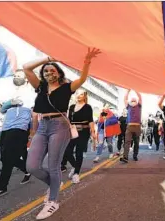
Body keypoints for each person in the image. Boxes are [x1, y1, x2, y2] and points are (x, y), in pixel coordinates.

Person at [24, 48, 100, 219]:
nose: (49, 72)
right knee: (32, 166)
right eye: (46, 70)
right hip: (43, 126)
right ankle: (54, 183)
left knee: (53, 165)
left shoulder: (67, 88)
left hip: (60, 125)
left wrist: (87, 61)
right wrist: (48, 58)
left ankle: (53, 201)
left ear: (58, 73)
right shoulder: (40, 87)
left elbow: (82, 78)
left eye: (52, 69)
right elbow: (26, 68)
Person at [0, 98, 32, 201]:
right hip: (5, 132)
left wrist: (30, 134)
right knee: (5, 158)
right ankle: (27, 170)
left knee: (8, 160)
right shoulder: (8, 110)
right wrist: (12, 101)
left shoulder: (27, 109)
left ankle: (1, 188)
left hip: (18, 131)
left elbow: (32, 120)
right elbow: (3, 108)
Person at [61, 89, 96, 183]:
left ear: (85, 96)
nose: (79, 96)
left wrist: (93, 131)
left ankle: (76, 173)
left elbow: (91, 120)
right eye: (77, 94)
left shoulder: (88, 107)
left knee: (79, 152)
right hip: (72, 131)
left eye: (81, 94)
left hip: (84, 131)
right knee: (67, 151)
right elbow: (68, 120)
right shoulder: (72, 107)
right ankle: (75, 166)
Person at [120, 90, 142, 163]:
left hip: (137, 127)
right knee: (127, 142)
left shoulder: (139, 105)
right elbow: (125, 98)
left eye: (134, 100)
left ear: (136, 101)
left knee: (136, 142)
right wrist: (128, 91)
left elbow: (140, 97)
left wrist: (136, 90)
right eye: (132, 100)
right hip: (129, 127)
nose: (133, 101)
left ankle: (135, 155)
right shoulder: (128, 106)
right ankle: (125, 157)